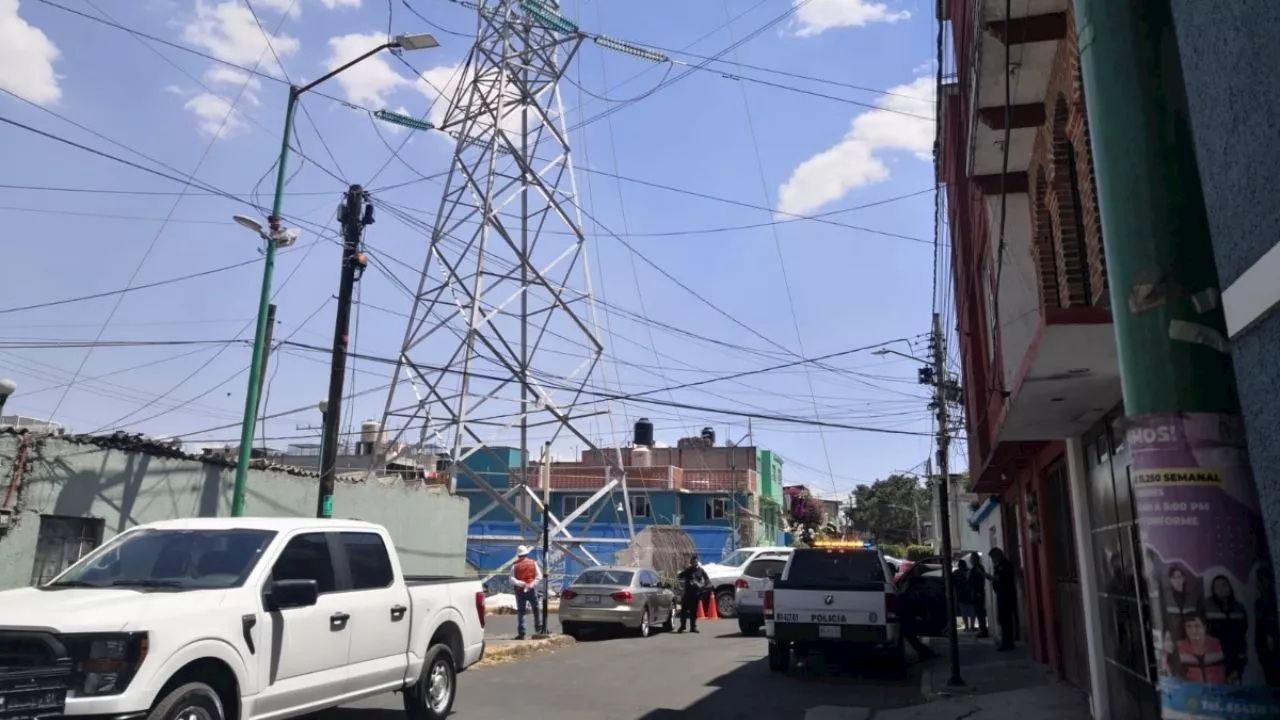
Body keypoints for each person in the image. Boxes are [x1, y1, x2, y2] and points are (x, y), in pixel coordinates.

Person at [1204, 574, 1248, 683]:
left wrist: (1241, 656)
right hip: (1215, 656)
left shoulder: (1239, 607)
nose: (1222, 589)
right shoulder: (1207, 606)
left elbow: (1243, 630)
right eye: (1217, 586)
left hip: (1235, 656)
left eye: (1224, 585)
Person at [510, 545, 544, 640]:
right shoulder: (533, 563)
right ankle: (539, 629)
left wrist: (521, 584)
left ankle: (522, 633)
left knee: (521, 611)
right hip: (531, 589)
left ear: (518, 555)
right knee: (536, 609)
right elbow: (539, 576)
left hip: (519, 590)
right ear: (526, 554)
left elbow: (512, 579)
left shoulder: (515, 565)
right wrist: (531, 584)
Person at [989, 547, 1017, 651]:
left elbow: (1003, 577)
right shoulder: (998, 566)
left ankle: (1008, 642)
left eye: (993, 558)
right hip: (1001, 595)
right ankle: (1006, 641)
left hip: (1007, 595)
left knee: (1006, 620)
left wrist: (994, 577)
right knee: (1002, 619)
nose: (993, 560)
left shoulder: (1006, 565)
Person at [676, 554, 710, 633]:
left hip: (696, 595)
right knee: (683, 611)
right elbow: (679, 576)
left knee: (694, 612)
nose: (695, 563)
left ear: (697, 562)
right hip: (687, 594)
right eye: (693, 562)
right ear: (691, 562)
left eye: (696, 561)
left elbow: (707, 580)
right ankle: (683, 626)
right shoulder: (688, 570)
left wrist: (704, 586)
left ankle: (693, 627)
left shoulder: (701, 570)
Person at [967, 552, 989, 638]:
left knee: (980, 612)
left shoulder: (978, 568)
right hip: (975, 592)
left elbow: (981, 580)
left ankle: (983, 630)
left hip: (978, 592)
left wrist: (978, 591)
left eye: (973, 558)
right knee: (978, 611)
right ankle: (982, 629)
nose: (971, 560)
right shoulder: (974, 568)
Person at [953, 558, 974, 632]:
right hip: (969, 593)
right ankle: (971, 626)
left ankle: (967, 627)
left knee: (964, 611)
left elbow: (954, 584)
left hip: (961, 594)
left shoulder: (956, 572)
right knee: (971, 611)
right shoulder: (969, 571)